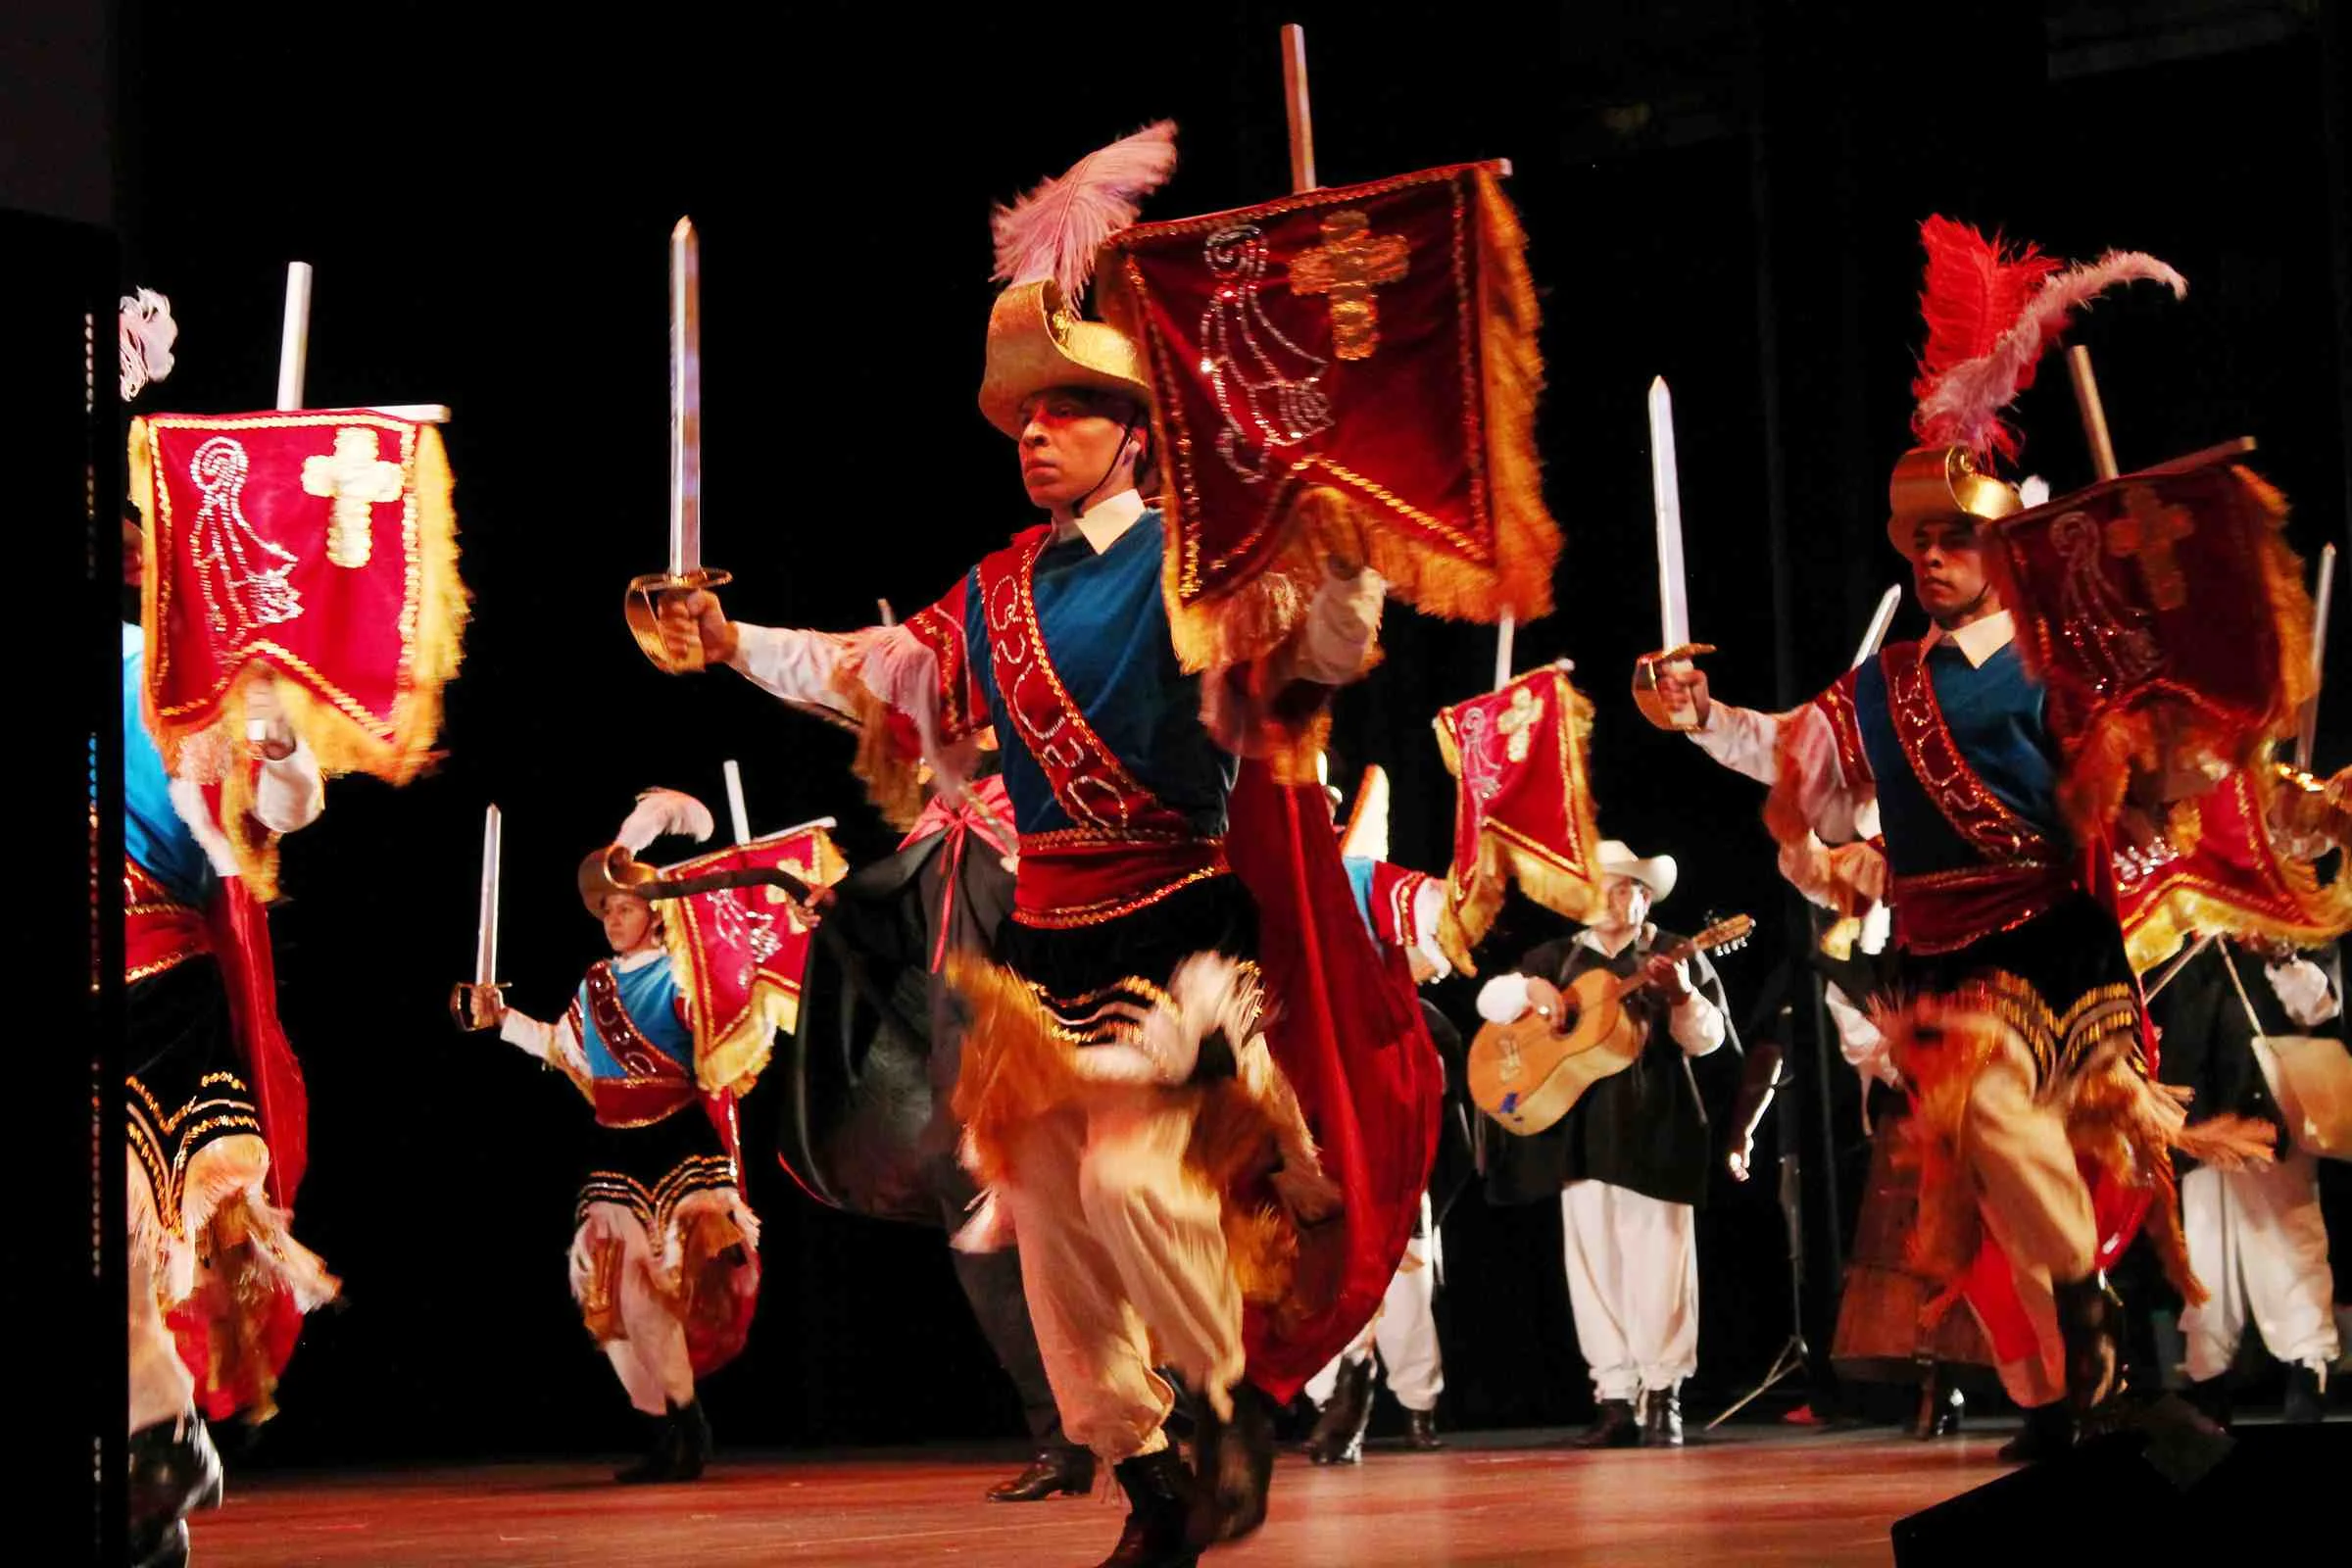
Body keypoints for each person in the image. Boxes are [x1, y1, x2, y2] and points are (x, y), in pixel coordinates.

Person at [651, 124, 1430, 1567]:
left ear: (1130, 429)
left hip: (1173, 930)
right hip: (1042, 947)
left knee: (1137, 1186)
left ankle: (1221, 1419)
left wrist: (1343, 547)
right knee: (1058, 1235)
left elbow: (1320, 656)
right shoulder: (997, 589)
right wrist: (731, 643)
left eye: (1065, 413)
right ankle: (1148, 1482)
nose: (1034, 436)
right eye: (1023, 419)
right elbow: (871, 671)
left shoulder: (1201, 556)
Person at [1651, 215, 2276, 1458]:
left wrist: (2160, 729)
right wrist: (1696, 717)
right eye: (1920, 543)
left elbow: (2163, 784)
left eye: (1955, 540)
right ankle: (2063, 1396)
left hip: (2058, 948)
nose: (1934, 559)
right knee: (1988, 1198)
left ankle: (2094, 1336)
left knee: (2046, 1163)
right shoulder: (1877, 688)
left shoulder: (2067, 660)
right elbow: (1797, 765)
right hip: (1939, 963)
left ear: (2001, 548)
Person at [118, 290, 339, 1568]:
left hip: (149, 987)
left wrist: (271, 735)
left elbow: (269, 811)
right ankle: (144, 1462)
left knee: (137, 1237)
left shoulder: (160, 670)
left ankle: (154, 1438)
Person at [458, 791, 762, 1484]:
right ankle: (670, 1427)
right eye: (606, 911)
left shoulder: (684, 974)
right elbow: (563, 1049)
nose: (612, 919)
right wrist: (499, 1017)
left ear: (653, 912)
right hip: (617, 1152)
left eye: (624, 907)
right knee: (620, 1303)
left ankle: (689, 1426)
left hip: (679, 1145)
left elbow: (726, 1032)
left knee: (664, 1291)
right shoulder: (594, 984)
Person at [1474, 842, 1735, 1448]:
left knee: (1660, 1266)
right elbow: (1490, 1001)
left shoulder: (1671, 953)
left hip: (1654, 1127)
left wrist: (1682, 996)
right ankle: (1615, 1398)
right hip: (1579, 1136)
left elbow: (1710, 1041)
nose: (1633, 899)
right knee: (1593, 1267)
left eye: (1640, 890)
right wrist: (1530, 995)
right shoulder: (1556, 958)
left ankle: (1663, 1393)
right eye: (1621, 887)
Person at [2149, 938, 2342, 1424]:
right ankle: (2208, 1384)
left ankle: (2307, 1371)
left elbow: (2318, 1007)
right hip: (2197, 1110)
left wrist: (2279, 955)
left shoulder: (2281, 911)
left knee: (2288, 1243)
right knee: (2205, 1255)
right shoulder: (2175, 925)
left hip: (2265, 1103)